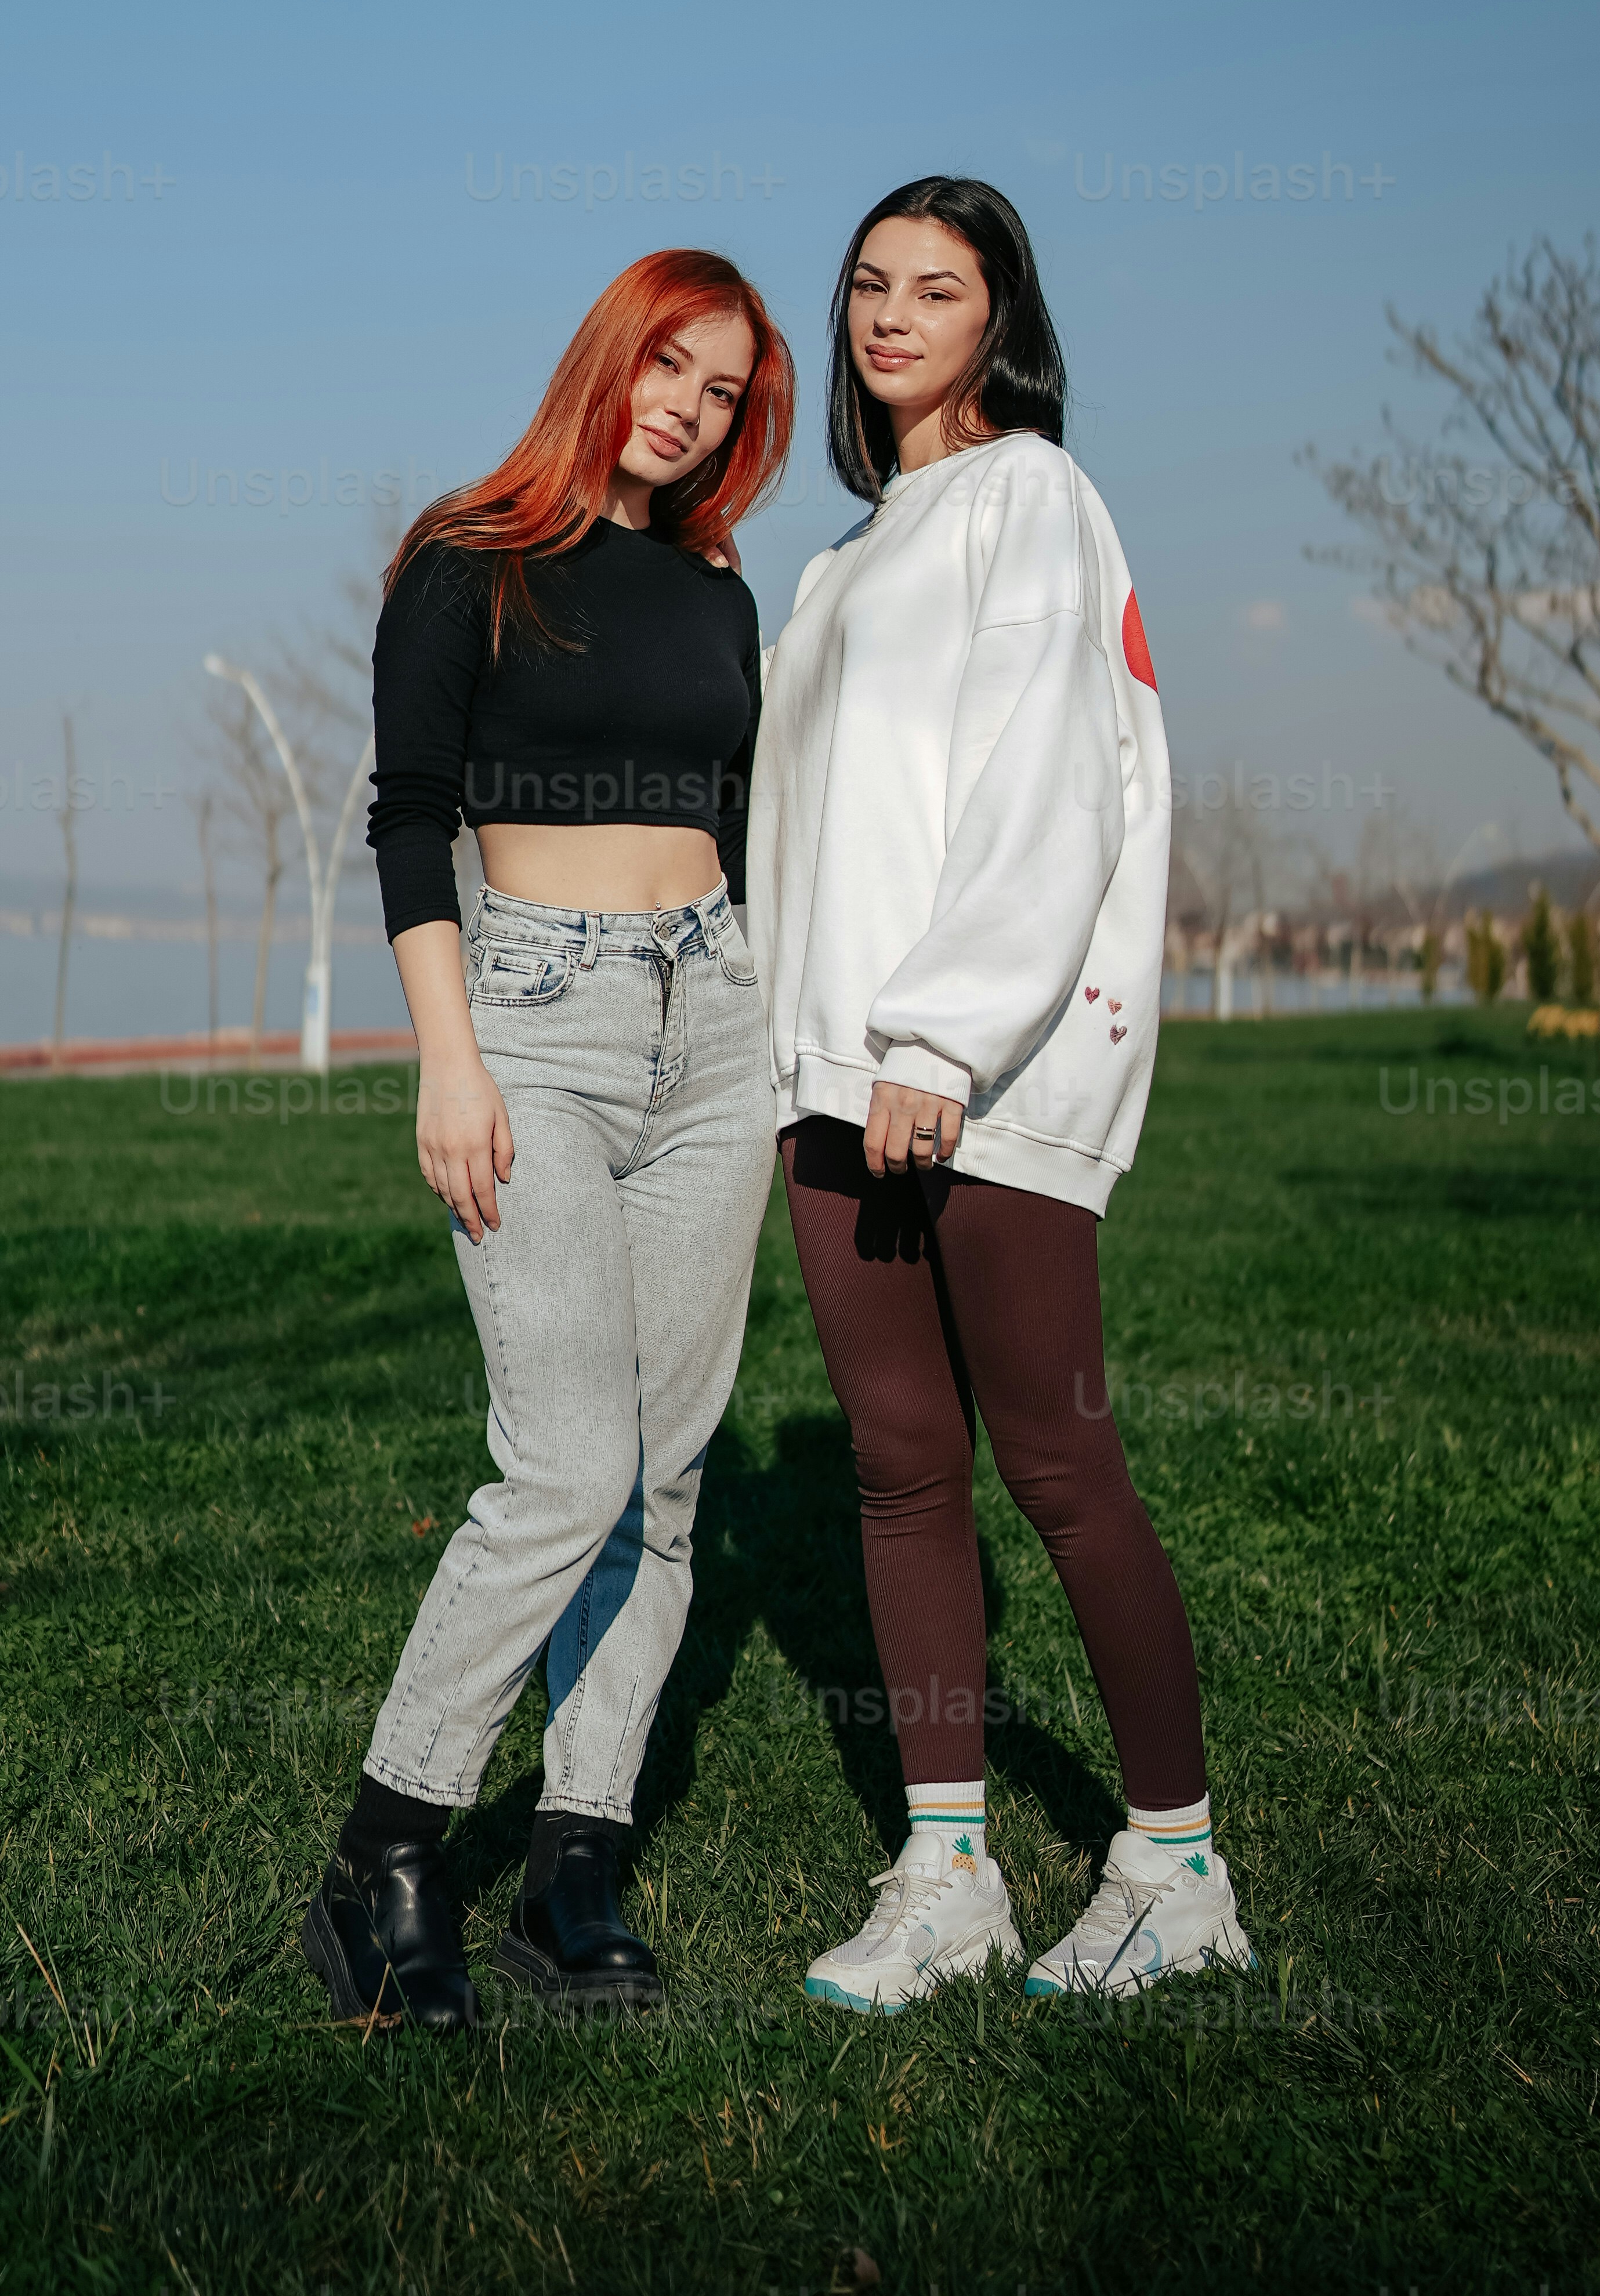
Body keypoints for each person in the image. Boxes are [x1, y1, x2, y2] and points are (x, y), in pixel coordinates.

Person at [746, 178, 1254, 2009]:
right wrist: (791, 1063)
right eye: (870, 285)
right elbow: (802, 843)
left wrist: (942, 1043)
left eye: (936, 288)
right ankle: (948, 1873)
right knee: (897, 1471)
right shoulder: (841, 564)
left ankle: (1176, 1869)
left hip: (984, 1073)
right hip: (831, 1082)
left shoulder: (1031, 501)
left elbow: (1053, 788)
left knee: (1052, 1461)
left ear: (998, 317)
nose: (891, 315)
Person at [302, 249, 793, 2033]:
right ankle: (389, 1855)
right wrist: (449, 1061)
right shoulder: (471, 558)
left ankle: (577, 1863)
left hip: (717, 1026)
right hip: (534, 1021)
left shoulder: (719, 598)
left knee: (665, 1481)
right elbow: (412, 817)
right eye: (671, 363)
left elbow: (742, 827)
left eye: (727, 390)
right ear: (611, 356)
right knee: (565, 1466)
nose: (690, 404)